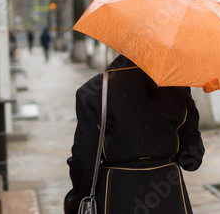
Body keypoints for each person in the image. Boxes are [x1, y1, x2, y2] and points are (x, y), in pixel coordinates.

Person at [64, 55, 205, 214]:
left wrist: (76, 200)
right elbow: (192, 160)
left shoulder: (94, 91)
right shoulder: (179, 89)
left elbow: (84, 159)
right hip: (169, 195)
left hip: (116, 195)